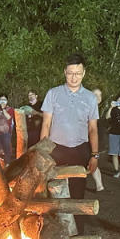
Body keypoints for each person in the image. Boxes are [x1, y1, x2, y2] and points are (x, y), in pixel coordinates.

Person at [40, 53, 100, 205]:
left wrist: (95, 155)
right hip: (56, 149)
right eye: (71, 73)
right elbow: (46, 124)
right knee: (53, 191)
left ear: (84, 73)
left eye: (78, 73)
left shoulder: (90, 98)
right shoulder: (53, 94)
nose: (74, 77)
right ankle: (54, 227)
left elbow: (93, 128)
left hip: (79, 150)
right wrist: (42, 152)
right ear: (65, 72)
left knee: (77, 193)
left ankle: (78, 229)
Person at [89, 88, 107, 192]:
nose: (98, 97)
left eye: (100, 95)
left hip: (97, 142)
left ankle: (100, 186)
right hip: (85, 140)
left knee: (94, 161)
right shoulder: (87, 108)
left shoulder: (98, 109)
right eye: (95, 94)